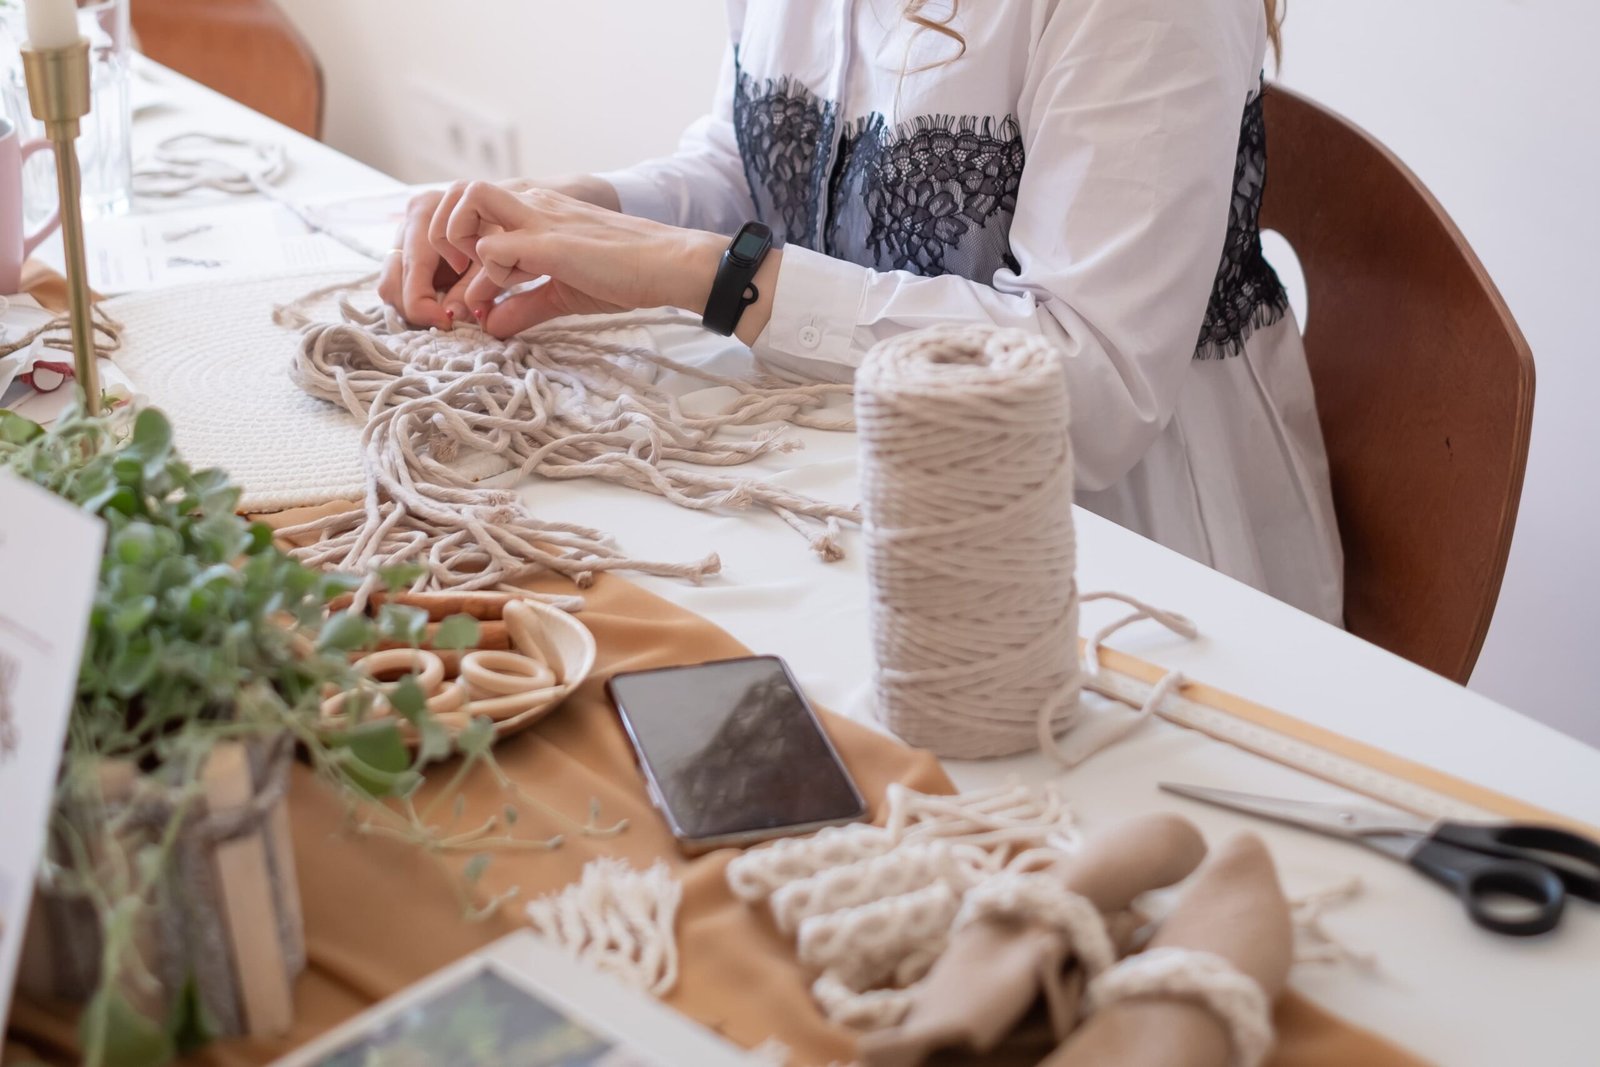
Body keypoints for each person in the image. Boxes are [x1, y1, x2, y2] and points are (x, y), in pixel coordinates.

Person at [379, 0, 1344, 625]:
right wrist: (567, 214)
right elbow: (748, 160)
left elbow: (1088, 383)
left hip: (1122, 565)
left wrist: (704, 273)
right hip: (839, 482)